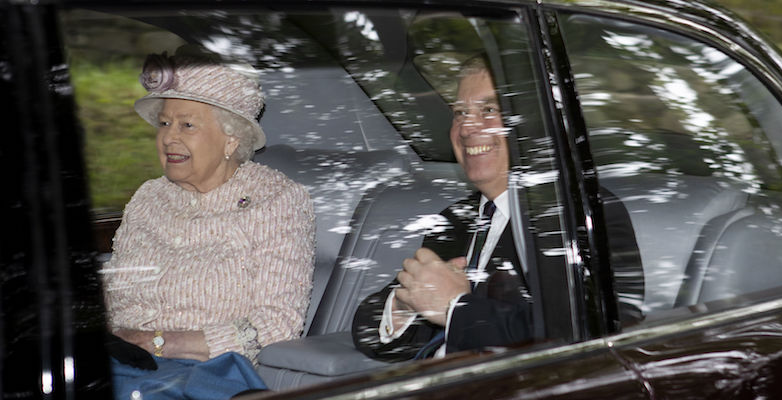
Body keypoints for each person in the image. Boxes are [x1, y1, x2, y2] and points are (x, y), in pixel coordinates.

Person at [101, 46, 315, 398]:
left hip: (205, 377)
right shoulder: (147, 198)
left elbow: (278, 325)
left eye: (187, 125)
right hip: (122, 362)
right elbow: (113, 291)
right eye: (165, 123)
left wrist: (158, 342)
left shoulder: (277, 200)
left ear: (231, 139)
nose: (169, 136)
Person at [351, 56, 538, 361]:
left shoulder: (571, 219)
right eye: (460, 113)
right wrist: (405, 306)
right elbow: (367, 327)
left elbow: (564, 340)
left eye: (488, 110)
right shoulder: (456, 219)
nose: (466, 128)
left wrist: (457, 306)